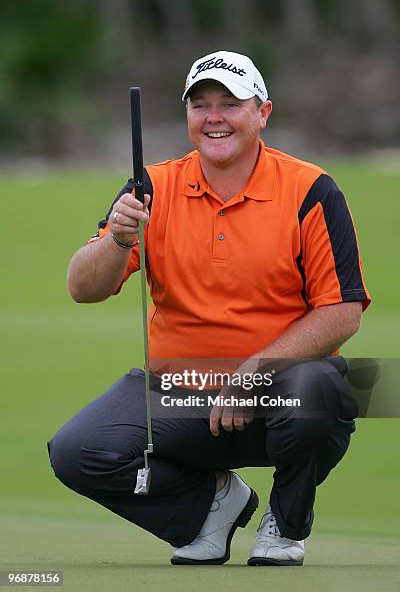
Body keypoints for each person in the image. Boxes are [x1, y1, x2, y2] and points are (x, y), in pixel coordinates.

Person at [47, 50, 371, 566]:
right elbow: (82, 288)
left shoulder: (311, 189)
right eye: (201, 105)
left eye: (230, 103)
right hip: (180, 394)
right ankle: (211, 509)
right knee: (77, 451)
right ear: (188, 116)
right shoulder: (152, 187)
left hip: (279, 394)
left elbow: (342, 311)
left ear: (262, 112)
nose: (214, 117)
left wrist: (251, 376)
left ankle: (285, 525)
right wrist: (119, 240)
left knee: (328, 387)